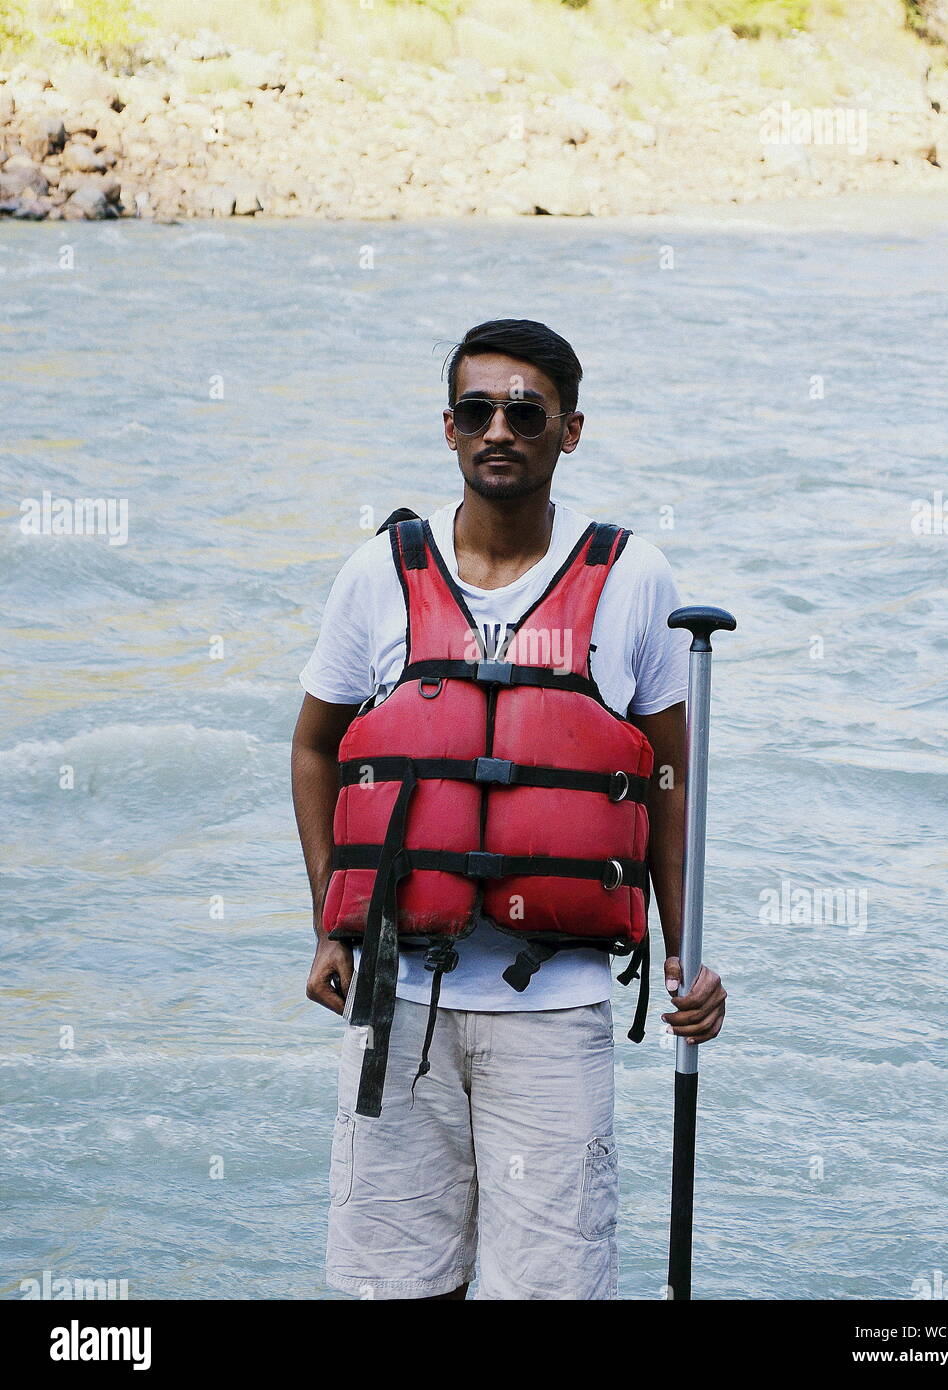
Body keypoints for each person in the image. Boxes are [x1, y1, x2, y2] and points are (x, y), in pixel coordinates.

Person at [291, 318, 727, 1300]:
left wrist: (683, 951)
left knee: (549, 1290)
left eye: (525, 412)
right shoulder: (377, 575)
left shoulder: (632, 579)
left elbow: (665, 779)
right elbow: (315, 746)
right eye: (477, 410)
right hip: (396, 995)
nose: (500, 429)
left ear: (567, 430)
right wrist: (328, 918)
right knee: (389, 1283)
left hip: (557, 1003)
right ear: (447, 428)